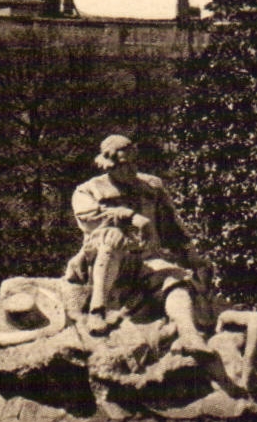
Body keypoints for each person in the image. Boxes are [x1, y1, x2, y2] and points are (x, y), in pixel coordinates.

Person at [67, 134, 210, 355]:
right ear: (109, 165)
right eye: (125, 164)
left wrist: (191, 254)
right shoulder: (89, 190)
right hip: (105, 262)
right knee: (112, 237)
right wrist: (129, 217)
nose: (131, 169)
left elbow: (171, 227)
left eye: (134, 162)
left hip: (146, 260)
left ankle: (189, 333)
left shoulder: (151, 186)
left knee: (174, 279)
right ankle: (97, 310)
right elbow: (89, 218)